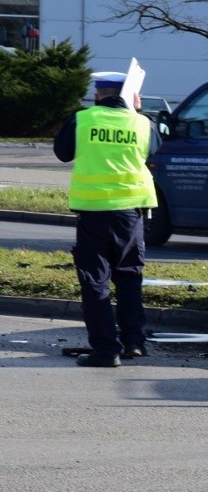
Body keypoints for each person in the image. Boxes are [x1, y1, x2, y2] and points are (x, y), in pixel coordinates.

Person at [54, 71, 162, 367]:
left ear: (98, 93)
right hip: (131, 213)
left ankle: (105, 350)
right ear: (130, 95)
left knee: (95, 282)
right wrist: (135, 113)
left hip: (93, 212)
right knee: (129, 277)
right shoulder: (143, 123)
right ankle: (134, 342)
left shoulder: (83, 119)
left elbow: (62, 153)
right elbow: (155, 151)